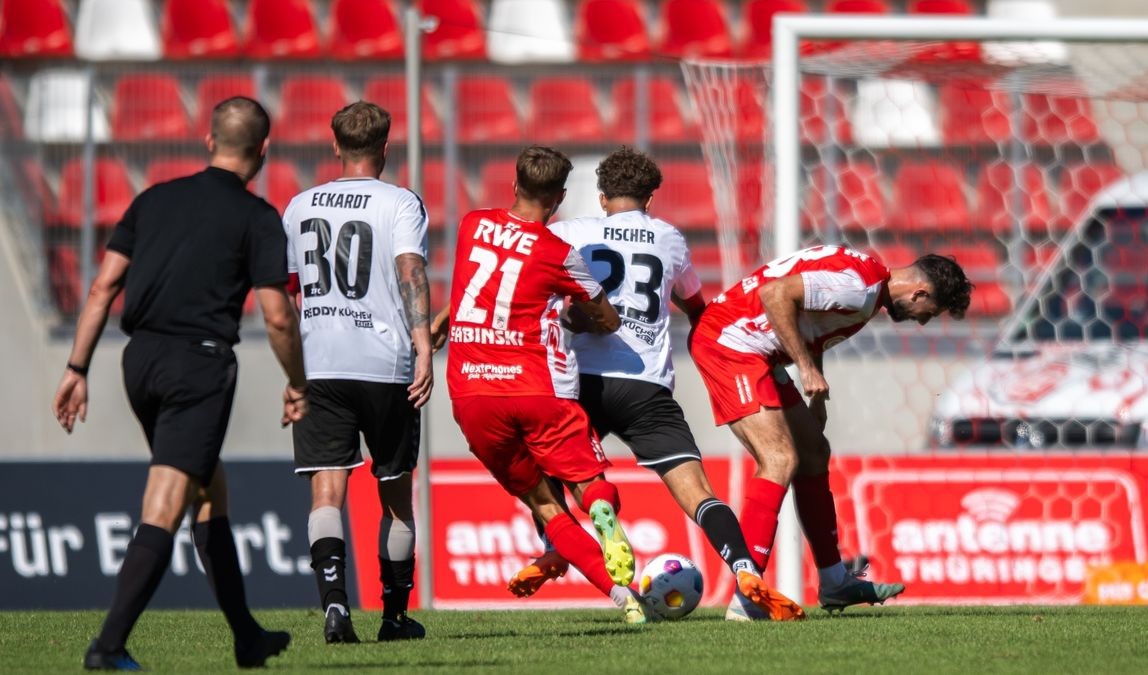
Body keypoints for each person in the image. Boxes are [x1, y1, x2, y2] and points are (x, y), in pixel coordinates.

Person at [51, 96, 307, 670]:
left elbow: (101, 289)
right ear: (264, 151)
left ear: (209, 140)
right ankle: (108, 646)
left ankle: (247, 636)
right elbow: (277, 316)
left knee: (208, 488)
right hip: (199, 365)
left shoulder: (153, 198)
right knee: (166, 503)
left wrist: (76, 368)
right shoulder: (257, 218)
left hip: (137, 362)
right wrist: (299, 383)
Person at [507, 146, 803, 622]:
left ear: (601, 197)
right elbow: (695, 306)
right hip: (645, 385)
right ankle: (747, 572)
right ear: (651, 198)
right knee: (699, 493)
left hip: (579, 383)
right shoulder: (669, 238)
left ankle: (556, 548)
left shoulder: (567, 233)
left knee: (550, 478)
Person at [689, 244, 974, 615]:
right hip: (731, 345)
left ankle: (835, 581)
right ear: (920, 293)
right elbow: (775, 294)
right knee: (779, 458)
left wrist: (817, 391)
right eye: (929, 313)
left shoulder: (867, 275)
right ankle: (748, 595)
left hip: (758, 350)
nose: (922, 322)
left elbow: (807, 316)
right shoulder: (859, 289)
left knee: (813, 453)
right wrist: (806, 369)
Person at [431, 145, 648, 623]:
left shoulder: (471, 224)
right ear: (560, 198)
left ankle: (623, 599)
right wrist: (586, 317)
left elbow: (476, 286)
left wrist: (446, 317)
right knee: (589, 483)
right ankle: (602, 514)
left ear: (514, 185)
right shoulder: (559, 255)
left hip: (471, 394)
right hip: (535, 389)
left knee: (546, 508)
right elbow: (607, 319)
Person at [280, 101, 431, 644]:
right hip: (384, 364)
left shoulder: (298, 207)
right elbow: (409, 269)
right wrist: (423, 347)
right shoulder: (400, 202)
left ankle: (335, 608)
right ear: (386, 149)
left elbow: (289, 292)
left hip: (321, 363)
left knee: (327, 492)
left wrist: (298, 364)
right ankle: (393, 617)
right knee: (395, 497)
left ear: (334, 145)